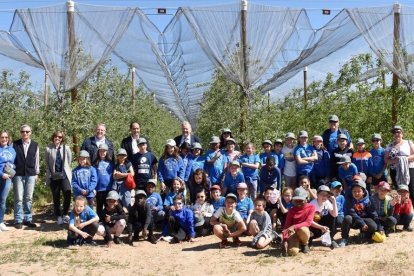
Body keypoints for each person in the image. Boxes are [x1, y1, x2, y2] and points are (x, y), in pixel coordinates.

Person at [339, 179, 382, 247]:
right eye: (354, 191)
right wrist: (362, 223)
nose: (356, 193)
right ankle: (344, 238)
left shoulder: (369, 200)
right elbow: (352, 213)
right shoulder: (349, 199)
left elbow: (374, 214)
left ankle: (364, 233)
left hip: (365, 220)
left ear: (363, 192)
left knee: (374, 226)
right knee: (347, 218)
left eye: (359, 191)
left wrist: (380, 228)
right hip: (354, 221)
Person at [13, 124, 40, 228]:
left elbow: (36, 159)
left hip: (31, 174)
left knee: (28, 197)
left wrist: (37, 172)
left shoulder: (35, 145)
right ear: (20, 132)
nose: (25, 133)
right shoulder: (15, 144)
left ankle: (28, 219)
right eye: (23, 131)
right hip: (18, 174)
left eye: (27, 131)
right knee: (19, 198)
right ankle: (18, 220)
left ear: (30, 132)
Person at [45, 130, 72, 225]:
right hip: (53, 176)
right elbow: (47, 163)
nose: (58, 138)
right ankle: (58, 216)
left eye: (60, 137)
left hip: (64, 176)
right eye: (56, 136)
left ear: (62, 138)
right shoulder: (48, 148)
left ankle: (65, 213)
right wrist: (49, 175)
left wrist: (64, 171)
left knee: (67, 193)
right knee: (56, 197)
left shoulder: (66, 148)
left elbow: (68, 162)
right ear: (53, 137)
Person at [282, 187, 315, 256]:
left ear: (306, 199)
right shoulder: (291, 210)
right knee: (292, 252)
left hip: (303, 230)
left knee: (303, 230)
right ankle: (297, 244)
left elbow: (308, 222)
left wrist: (294, 226)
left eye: (301, 200)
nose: (298, 203)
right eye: (296, 201)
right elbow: (286, 226)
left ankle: (304, 244)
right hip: (293, 233)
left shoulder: (311, 207)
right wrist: (285, 240)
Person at [385, 125, 414, 199]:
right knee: (399, 190)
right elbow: (386, 159)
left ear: (402, 134)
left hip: (409, 169)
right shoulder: (389, 145)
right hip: (394, 170)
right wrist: (395, 160)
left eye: (398, 132)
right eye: (394, 132)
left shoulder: (408, 142)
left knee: (411, 190)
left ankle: (411, 208)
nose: (396, 134)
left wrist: (403, 159)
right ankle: (400, 208)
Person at [0, 130, 16, 231]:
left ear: (8, 138)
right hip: (1, 175)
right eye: (2, 137)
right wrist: (2, 174)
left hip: (7, 179)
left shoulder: (12, 150)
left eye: (6, 137)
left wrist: (12, 167)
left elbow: (15, 164)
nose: (4, 139)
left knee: (2, 200)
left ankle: (1, 222)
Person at [94, 144, 114, 217]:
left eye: (104, 151)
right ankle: (99, 220)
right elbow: (94, 177)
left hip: (108, 188)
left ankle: (107, 220)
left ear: (107, 152)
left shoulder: (110, 163)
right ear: (98, 152)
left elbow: (112, 176)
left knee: (108, 206)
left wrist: (112, 187)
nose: (102, 153)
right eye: (101, 151)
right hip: (99, 189)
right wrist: (94, 188)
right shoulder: (95, 163)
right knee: (99, 206)